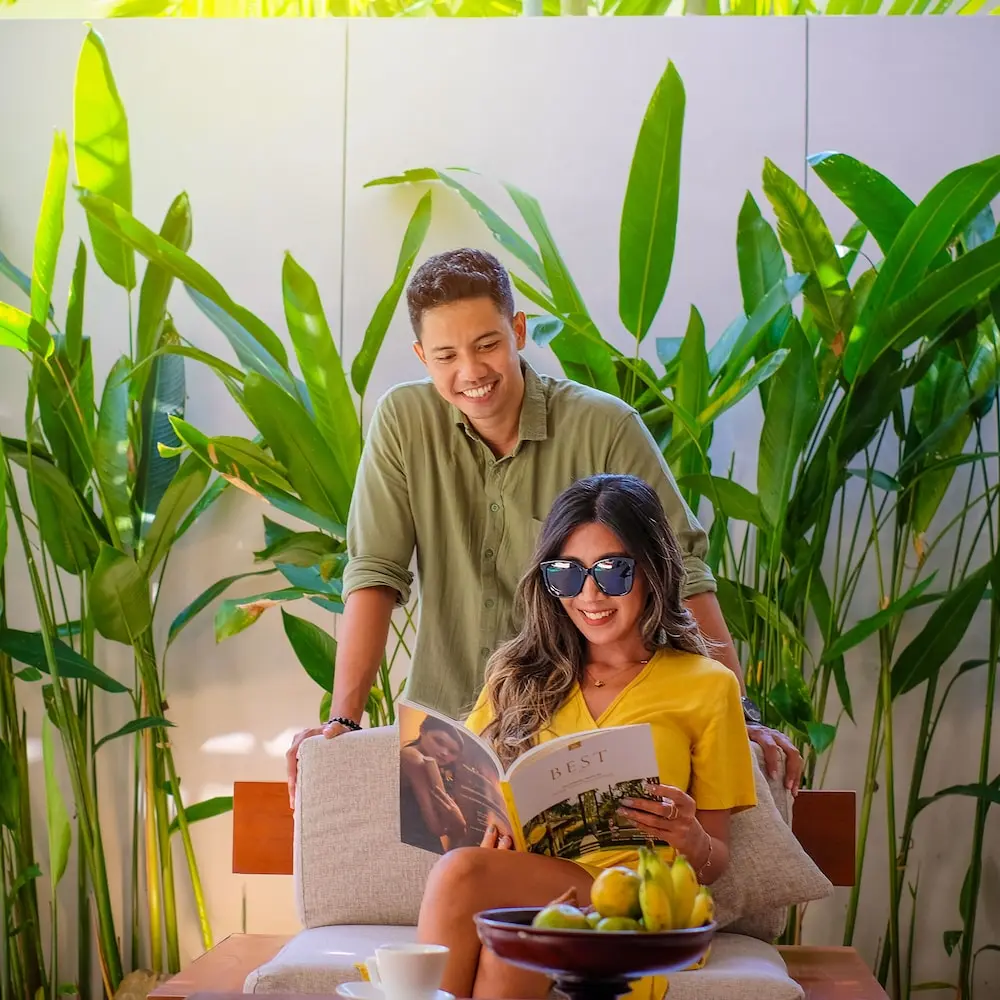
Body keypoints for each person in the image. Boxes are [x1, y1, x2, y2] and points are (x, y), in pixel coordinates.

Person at [285, 248, 802, 805]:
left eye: (487, 344)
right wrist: (345, 719)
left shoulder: (604, 426)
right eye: (446, 355)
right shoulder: (402, 422)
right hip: (442, 732)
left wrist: (739, 715)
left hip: (574, 728)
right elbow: (375, 570)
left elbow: (682, 569)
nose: (471, 372)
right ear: (422, 356)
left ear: (518, 330)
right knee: (454, 864)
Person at [416, 473, 757, 1000]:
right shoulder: (514, 677)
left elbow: (713, 863)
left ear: (652, 571)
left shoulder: (708, 686)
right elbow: (472, 785)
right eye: (567, 574)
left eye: (613, 572)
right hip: (532, 889)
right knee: (510, 938)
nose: (590, 595)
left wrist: (690, 837)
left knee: (462, 876)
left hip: (637, 902)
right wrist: (487, 828)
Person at [400, 715, 469, 855]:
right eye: (439, 741)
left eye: (453, 752)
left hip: (425, 846)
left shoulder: (442, 769)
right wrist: (459, 824)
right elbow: (438, 827)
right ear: (422, 730)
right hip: (415, 847)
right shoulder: (413, 758)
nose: (444, 753)